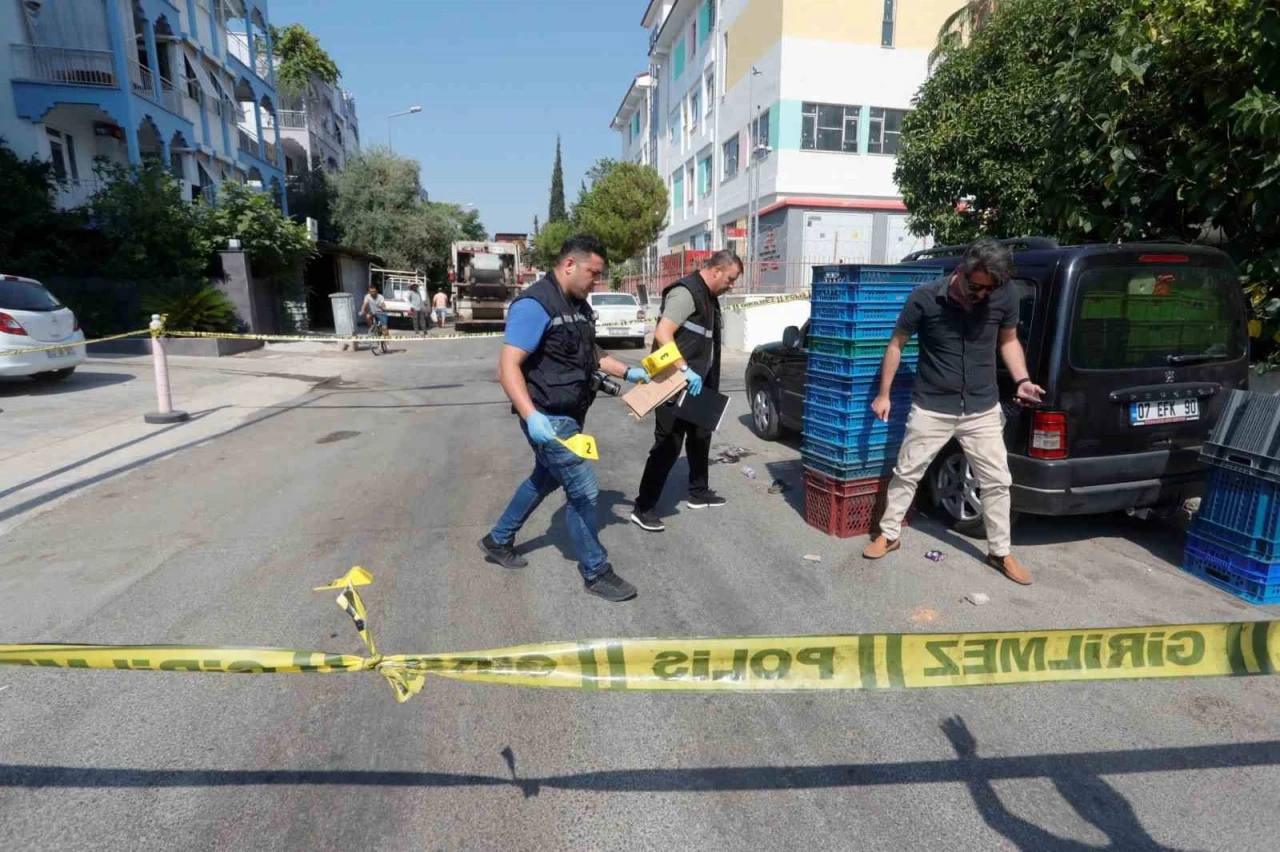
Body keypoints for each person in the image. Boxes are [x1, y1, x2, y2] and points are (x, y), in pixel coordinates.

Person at [478, 234, 652, 602]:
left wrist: (628, 371)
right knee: (584, 492)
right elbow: (507, 367)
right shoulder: (535, 305)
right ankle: (596, 572)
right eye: (593, 273)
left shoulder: (578, 305)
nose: (596, 282)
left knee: (543, 479)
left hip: (571, 414)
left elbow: (591, 352)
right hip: (548, 418)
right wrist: (531, 416)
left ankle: (498, 539)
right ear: (570, 264)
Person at [861, 240, 1044, 585]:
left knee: (998, 482)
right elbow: (897, 344)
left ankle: (1000, 552)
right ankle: (889, 534)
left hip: (982, 407)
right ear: (961, 271)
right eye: (976, 286)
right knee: (907, 472)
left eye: (990, 289)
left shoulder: (1003, 295)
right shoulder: (925, 298)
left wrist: (1022, 380)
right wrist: (884, 394)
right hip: (932, 405)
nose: (982, 294)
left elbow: (1008, 340)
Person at [630, 250, 741, 533]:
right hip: (675, 381)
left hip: (699, 383)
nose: (731, 286)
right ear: (716, 271)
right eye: (730, 279)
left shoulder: (709, 296)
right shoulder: (686, 293)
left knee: (701, 436)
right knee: (668, 444)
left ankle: (698, 493)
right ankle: (643, 508)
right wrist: (684, 369)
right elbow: (663, 333)